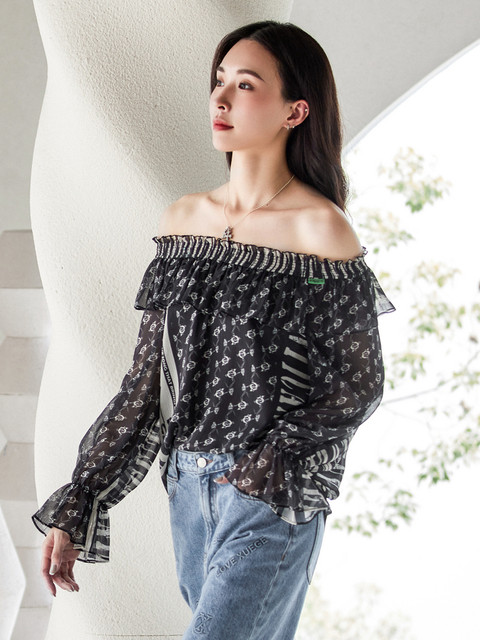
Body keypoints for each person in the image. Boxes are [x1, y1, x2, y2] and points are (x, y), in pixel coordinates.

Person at [33, 20, 395, 640]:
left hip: (270, 493)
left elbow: (355, 385)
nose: (221, 99)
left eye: (245, 85)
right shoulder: (183, 221)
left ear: (295, 111)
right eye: (219, 81)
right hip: (186, 486)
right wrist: (83, 497)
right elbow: (147, 383)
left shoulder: (320, 231)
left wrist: (264, 465)